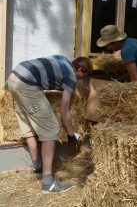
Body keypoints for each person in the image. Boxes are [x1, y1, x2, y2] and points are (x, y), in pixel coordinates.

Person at [6, 55, 92, 193]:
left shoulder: (62, 59)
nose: (80, 80)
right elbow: (64, 110)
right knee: (51, 129)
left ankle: (38, 168)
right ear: (79, 69)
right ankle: (48, 183)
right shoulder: (71, 77)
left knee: (29, 128)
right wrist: (71, 135)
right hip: (26, 84)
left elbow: (49, 78)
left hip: (13, 78)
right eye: (83, 76)